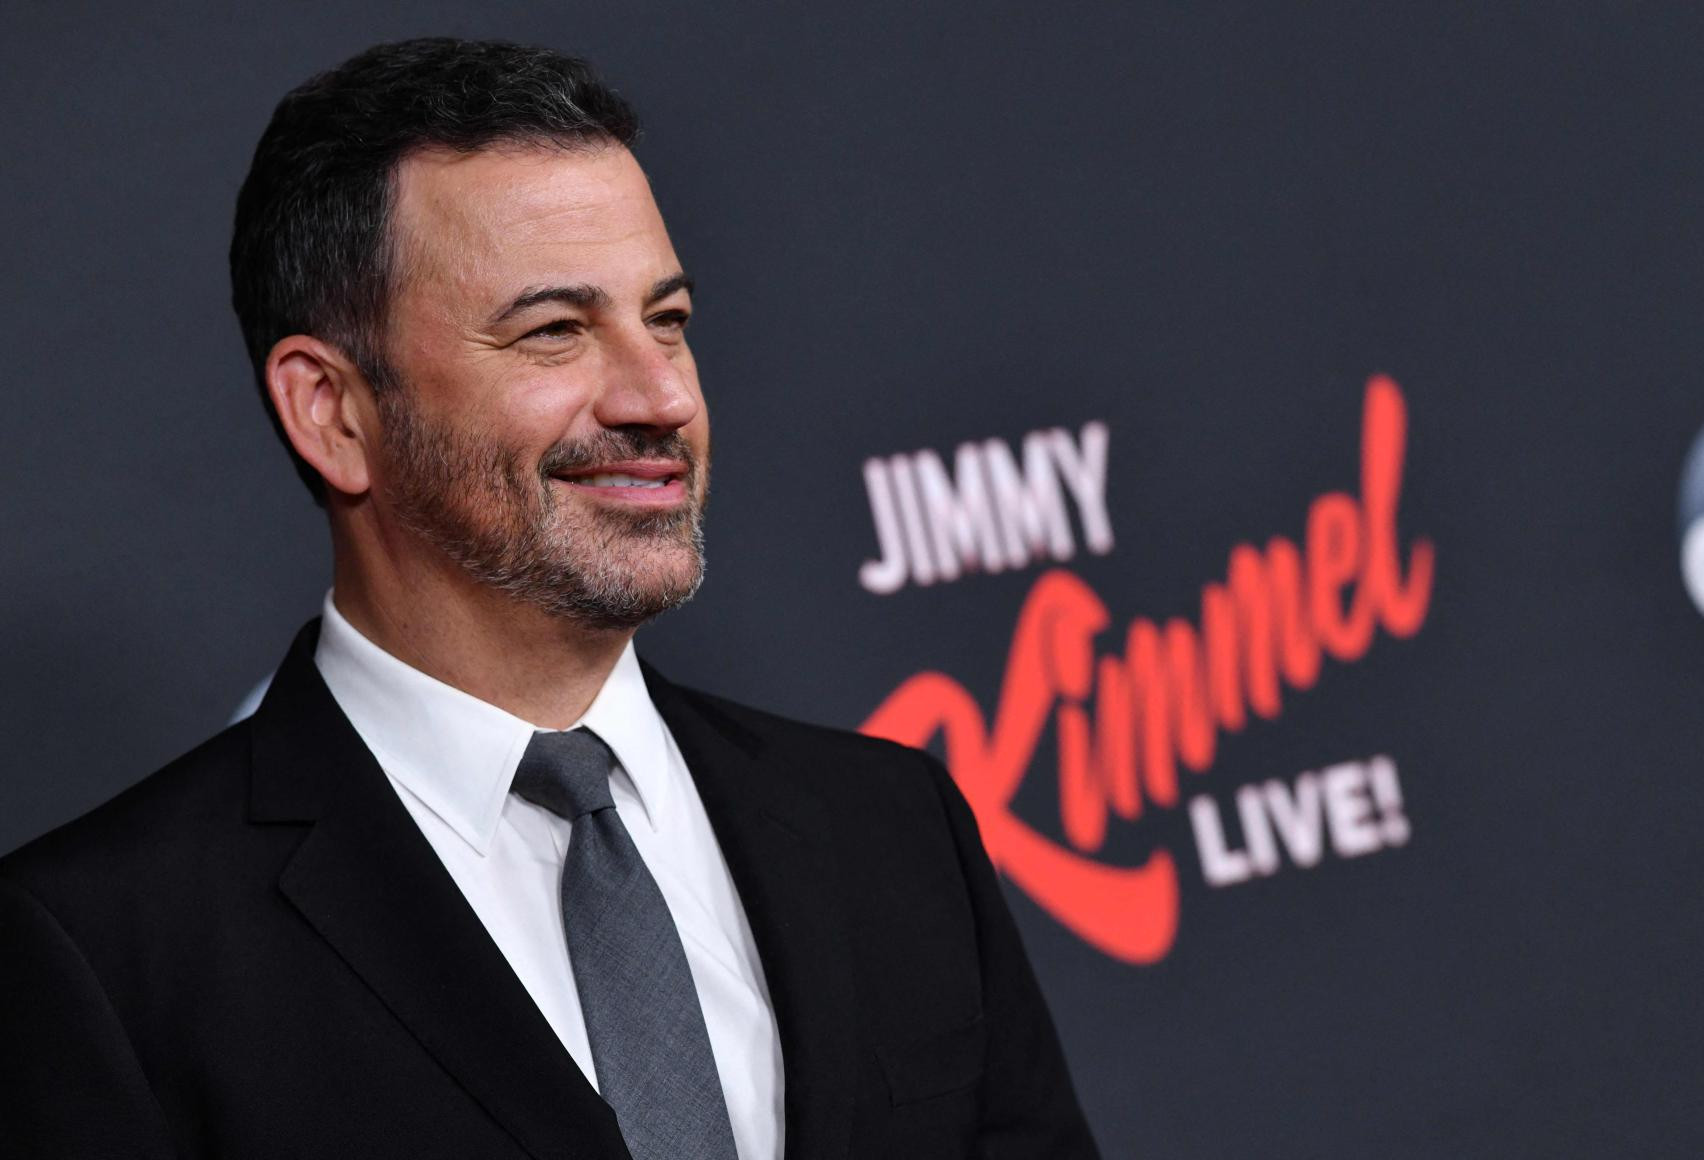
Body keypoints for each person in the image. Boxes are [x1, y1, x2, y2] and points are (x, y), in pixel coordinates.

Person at [0, 37, 1099, 1160]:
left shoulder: (895, 828)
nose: (661, 395)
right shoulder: (103, 953)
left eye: (667, 319)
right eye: (555, 332)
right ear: (331, 410)